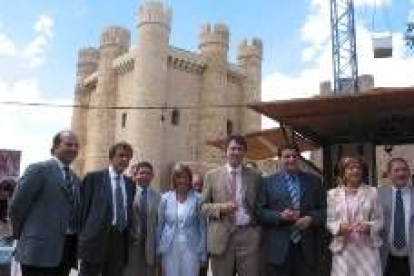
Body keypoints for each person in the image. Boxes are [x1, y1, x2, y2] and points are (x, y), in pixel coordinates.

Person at [10, 130, 81, 276]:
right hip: (37, 252)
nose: (73, 149)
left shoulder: (75, 179)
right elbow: (17, 206)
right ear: (54, 148)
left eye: (76, 146)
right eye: (68, 144)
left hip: (65, 252)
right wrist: (23, 236)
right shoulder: (39, 170)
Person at [257, 143, 326, 276]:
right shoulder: (268, 182)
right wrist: (279, 216)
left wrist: (311, 219)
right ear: (279, 159)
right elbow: (260, 212)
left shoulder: (314, 181)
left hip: (306, 247)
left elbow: (325, 210)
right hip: (279, 249)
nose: (291, 160)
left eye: (294, 156)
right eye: (287, 156)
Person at [201, 135, 262, 276]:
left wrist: (256, 231)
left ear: (244, 152)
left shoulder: (255, 177)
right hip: (221, 237)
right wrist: (221, 208)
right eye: (232, 148)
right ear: (225, 151)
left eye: (240, 149)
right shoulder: (211, 176)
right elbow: (202, 207)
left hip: (248, 237)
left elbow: (260, 205)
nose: (236, 152)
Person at [78, 142, 136, 276]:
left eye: (128, 157)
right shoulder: (93, 178)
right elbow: (83, 212)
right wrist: (84, 239)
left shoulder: (130, 184)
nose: (124, 159)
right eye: (121, 155)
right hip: (95, 240)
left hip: (119, 240)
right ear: (111, 158)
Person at [327, 155, 383, 276]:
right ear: (343, 172)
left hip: (367, 249)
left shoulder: (373, 192)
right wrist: (339, 228)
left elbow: (380, 220)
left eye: (358, 168)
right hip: (343, 249)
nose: (355, 171)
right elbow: (330, 221)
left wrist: (369, 227)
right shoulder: (332, 194)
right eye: (350, 168)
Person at [157, 163, 206, 276]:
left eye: (185, 177)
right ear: (174, 179)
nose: (182, 180)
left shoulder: (198, 199)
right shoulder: (165, 198)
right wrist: (158, 249)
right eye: (179, 177)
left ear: (189, 179)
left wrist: (203, 253)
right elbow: (159, 226)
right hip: (169, 247)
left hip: (192, 247)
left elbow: (203, 227)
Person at [124, 161, 161, 276]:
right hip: (131, 245)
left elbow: (159, 222)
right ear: (135, 175)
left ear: (152, 176)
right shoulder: (127, 193)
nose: (145, 176)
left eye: (148, 173)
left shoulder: (158, 197)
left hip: (150, 246)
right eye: (142, 173)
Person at [378, 158, 414, 276]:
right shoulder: (378, 194)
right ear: (389, 174)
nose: (401, 173)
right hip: (386, 257)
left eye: (404, 170)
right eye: (396, 170)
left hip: (411, 258)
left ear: (409, 172)